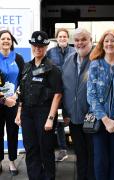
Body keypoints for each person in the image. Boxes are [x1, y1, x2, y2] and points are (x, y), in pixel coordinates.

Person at [15, 31, 62, 180]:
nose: (38, 48)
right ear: (31, 46)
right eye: (35, 45)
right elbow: (22, 92)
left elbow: (57, 94)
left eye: (41, 46)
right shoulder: (26, 67)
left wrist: (50, 118)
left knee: (45, 149)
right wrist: (18, 113)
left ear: (46, 47)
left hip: (44, 112)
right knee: (31, 149)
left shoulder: (52, 68)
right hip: (27, 113)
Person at [87, 29, 114, 180]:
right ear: (102, 44)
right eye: (106, 41)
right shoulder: (95, 65)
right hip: (100, 122)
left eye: (113, 40)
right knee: (100, 161)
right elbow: (91, 95)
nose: (109, 43)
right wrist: (106, 120)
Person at [62, 28, 95, 180]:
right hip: (74, 117)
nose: (80, 43)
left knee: (93, 154)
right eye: (76, 40)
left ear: (91, 41)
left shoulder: (98, 59)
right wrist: (66, 113)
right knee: (80, 154)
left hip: (93, 117)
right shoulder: (68, 59)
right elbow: (65, 88)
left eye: (83, 39)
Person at [47, 28, 75, 162]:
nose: (62, 38)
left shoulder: (74, 51)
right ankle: (63, 150)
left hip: (71, 93)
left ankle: (79, 148)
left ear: (68, 38)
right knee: (58, 121)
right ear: (56, 38)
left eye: (65, 36)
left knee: (73, 120)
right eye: (60, 36)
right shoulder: (50, 52)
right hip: (56, 93)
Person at [0, 30, 24, 176]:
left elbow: (23, 80)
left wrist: (15, 97)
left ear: (12, 41)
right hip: (0, 101)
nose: (6, 41)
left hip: (13, 102)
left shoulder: (19, 58)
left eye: (8, 38)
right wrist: (3, 99)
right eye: (3, 38)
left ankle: (12, 161)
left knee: (13, 132)